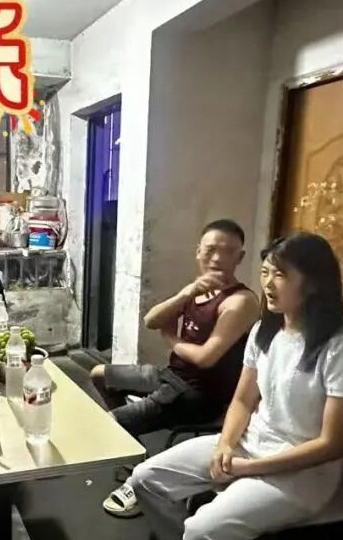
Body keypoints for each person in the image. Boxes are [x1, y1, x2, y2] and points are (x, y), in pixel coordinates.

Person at [131, 232, 343, 540]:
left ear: (313, 283)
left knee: (200, 529)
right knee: (145, 479)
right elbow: (243, 400)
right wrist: (226, 445)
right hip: (250, 442)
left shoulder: (335, 347)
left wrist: (247, 468)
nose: (268, 283)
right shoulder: (264, 331)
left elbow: (331, 444)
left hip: (302, 473)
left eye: (280, 275)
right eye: (265, 272)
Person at [82, 219, 261, 517]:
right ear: (198, 251)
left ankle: (139, 481)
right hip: (171, 376)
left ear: (240, 257)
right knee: (99, 374)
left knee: (110, 424)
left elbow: (206, 357)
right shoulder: (198, 289)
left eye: (228, 251)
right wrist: (186, 293)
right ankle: (135, 451)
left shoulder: (240, 301)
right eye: (211, 250)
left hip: (199, 394)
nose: (217, 258)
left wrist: (172, 340)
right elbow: (151, 320)